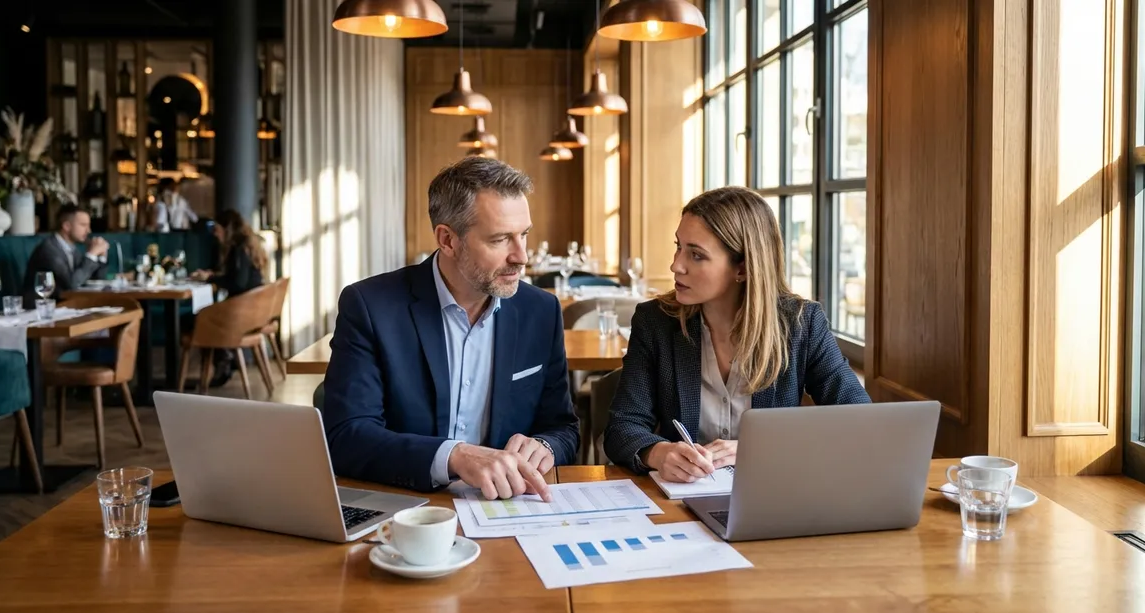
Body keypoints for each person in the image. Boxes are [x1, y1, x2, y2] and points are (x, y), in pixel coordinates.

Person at [322, 157, 579, 499]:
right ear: (447, 240)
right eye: (501, 239)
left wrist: (546, 445)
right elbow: (346, 436)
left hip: (507, 509)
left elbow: (563, 427)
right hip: (407, 509)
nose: (522, 257)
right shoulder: (370, 307)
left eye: (524, 236)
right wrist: (454, 456)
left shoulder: (541, 310)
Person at [603, 186, 871, 483]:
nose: (676, 265)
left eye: (696, 255)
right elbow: (622, 427)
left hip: (773, 495)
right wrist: (658, 452)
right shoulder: (656, 322)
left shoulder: (801, 324)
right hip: (681, 501)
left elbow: (857, 421)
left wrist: (762, 450)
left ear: (742, 268)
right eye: (679, 247)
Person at [189, 208, 267, 384]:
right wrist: (214, 275)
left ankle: (222, 360)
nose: (215, 235)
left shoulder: (239, 250)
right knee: (203, 316)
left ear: (227, 229)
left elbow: (237, 283)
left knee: (197, 319)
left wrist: (210, 277)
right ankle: (223, 359)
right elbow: (238, 279)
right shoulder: (248, 246)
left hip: (239, 316)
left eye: (217, 229)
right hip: (252, 313)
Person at [22, 203, 109, 308]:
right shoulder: (49, 249)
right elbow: (71, 284)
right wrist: (92, 254)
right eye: (83, 225)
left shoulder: (72, 249)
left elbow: (96, 280)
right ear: (66, 226)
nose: (88, 230)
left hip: (64, 306)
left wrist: (101, 257)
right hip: (40, 309)